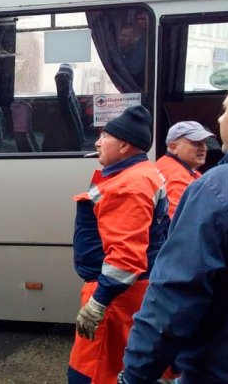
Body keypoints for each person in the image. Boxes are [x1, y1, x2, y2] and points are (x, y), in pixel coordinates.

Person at [120, 61, 228, 384]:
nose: (220, 119)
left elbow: (174, 297)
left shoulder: (219, 188)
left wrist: (135, 376)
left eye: (225, 109)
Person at [68, 105, 170, 384]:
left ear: (124, 145)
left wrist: (98, 302)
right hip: (131, 292)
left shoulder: (129, 185)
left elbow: (125, 258)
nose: (97, 142)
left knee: (92, 372)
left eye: (104, 136)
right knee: (119, 367)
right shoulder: (144, 173)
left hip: (115, 297)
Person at [155, 121, 215, 218]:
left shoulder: (168, 165)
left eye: (204, 142)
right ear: (174, 147)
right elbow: (179, 222)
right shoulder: (177, 177)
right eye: (196, 143)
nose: (203, 148)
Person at [119, 24, 146, 90]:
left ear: (135, 37)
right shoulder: (129, 49)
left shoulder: (140, 51)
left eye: (125, 36)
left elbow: (133, 73)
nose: (121, 38)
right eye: (121, 35)